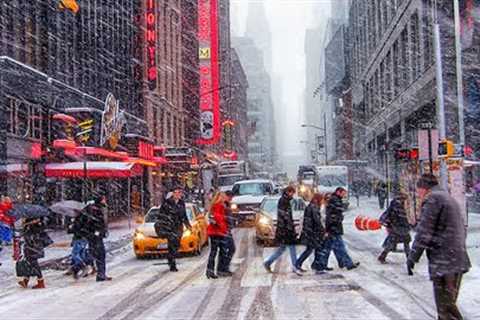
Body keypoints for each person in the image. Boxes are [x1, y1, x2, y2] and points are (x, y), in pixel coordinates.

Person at [407, 174, 471, 320]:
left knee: (446, 308)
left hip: (444, 261)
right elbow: (461, 228)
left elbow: (424, 231)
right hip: (455, 258)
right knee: (447, 307)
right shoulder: (447, 198)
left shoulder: (433, 199)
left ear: (423, 188)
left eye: (418, 190)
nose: (418, 194)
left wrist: (413, 256)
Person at [316, 187, 359, 272]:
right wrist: (338, 219)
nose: (344, 195)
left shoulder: (334, 200)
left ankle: (322, 264)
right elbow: (333, 215)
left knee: (329, 247)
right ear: (338, 192)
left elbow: (332, 214)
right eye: (343, 193)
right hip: (334, 228)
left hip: (332, 228)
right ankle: (348, 264)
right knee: (340, 247)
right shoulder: (335, 201)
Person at [263, 186, 303, 276]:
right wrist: (289, 228)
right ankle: (295, 266)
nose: (293, 194)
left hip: (284, 229)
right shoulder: (284, 201)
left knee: (281, 249)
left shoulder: (286, 201)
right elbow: (285, 216)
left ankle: (268, 262)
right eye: (292, 192)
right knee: (292, 247)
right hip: (285, 230)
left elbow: (285, 216)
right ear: (288, 192)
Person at [155, 186, 192, 272]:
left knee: (176, 244)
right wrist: (165, 223)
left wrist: (188, 225)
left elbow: (184, 215)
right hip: (170, 227)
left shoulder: (181, 203)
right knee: (171, 244)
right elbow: (161, 215)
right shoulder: (167, 203)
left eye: (179, 193)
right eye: (176, 193)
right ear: (172, 194)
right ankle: (172, 264)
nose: (178, 194)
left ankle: (171, 257)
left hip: (178, 227)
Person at [378, 191, 412, 264]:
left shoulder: (394, 204)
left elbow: (388, 213)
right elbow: (407, 216)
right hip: (403, 227)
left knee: (392, 242)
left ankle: (382, 256)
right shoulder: (404, 205)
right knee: (406, 243)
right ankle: (409, 260)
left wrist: (384, 220)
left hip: (396, 227)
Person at [18, 218, 52, 289]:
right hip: (32, 249)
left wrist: (27, 226)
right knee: (29, 264)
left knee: (34, 264)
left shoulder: (34, 227)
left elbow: (31, 238)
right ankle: (26, 281)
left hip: (33, 249)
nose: (22, 219)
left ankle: (40, 282)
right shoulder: (31, 226)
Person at [296, 193, 326, 272]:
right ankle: (299, 264)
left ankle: (313, 265)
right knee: (314, 249)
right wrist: (323, 230)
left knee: (314, 249)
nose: (322, 201)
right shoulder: (314, 207)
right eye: (322, 199)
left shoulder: (311, 206)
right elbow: (317, 221)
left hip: (310, 232)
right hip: (312, 232)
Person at [84, 195, 112, 282]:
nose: (105, 200)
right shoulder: (96, 210)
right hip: (96, 237)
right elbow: (96, 223)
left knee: (96, 254)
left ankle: (99, 273)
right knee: (100, 254)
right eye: (103, 199)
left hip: (93, 236)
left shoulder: (93, 209)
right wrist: (98, 232)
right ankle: (100, 274)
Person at [206, 192, 228, 279]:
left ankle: (210, 270)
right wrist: (220, 224)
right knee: (221, 251)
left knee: (214, 252)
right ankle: (219, 270)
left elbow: (212, 217)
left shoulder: (214, 206)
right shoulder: (219, 206)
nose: (224, 198)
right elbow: (218, 218)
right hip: (218, 232)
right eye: (223, 197)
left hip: (215, 232)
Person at [68, 208, 95, 279]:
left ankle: (81, 267)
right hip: (83, 238)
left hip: (79, 238)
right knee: (81, 254)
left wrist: (72, 227)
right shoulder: (84, 218)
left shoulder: (79, 220)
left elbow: (76, 229)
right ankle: (79, 268)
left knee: (75, 254)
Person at [217, 190, 236, 276]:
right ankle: (223, 268)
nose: (231, 199)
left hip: (226, 230)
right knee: (228, 249)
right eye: (230, 197)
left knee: (227, 250)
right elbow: (221, 217)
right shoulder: (222, 205)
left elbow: (228, 217)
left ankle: (223, 268)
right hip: (224, 231)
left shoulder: (227, 205)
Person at [0, 197, 14, 267]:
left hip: (5, 223)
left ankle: (5, 241)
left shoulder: (6, 206)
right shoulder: (6, 207)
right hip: (5, 223)